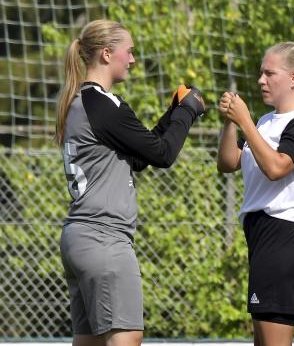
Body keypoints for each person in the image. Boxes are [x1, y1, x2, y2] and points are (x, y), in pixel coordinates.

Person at [56, 19, 205, 346]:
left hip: (79, 238)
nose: (133, 59)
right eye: (130, 51)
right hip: (104, 239)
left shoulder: (81, 103)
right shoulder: (104, 105)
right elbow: (163, 154)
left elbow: (138, 157)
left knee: (89, 343)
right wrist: (189, 111)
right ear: (107, 54)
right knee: (126, 338)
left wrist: (173, 113)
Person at [217, 41, 294, 346]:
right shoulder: (266, 122)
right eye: (260, 73)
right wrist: (231, 124)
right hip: (264, 237)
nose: (261, 80)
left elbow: (276, 167)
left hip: (286, 236)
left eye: (269, 73)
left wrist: (246, 122)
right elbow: (227, 163)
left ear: (293, 79)